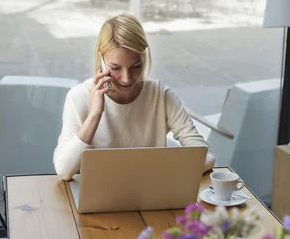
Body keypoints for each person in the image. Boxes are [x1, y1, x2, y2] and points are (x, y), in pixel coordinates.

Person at [53, 13, 216, 181]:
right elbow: (64, 171)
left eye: (136, 66)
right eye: (115, 68)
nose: (126, 78)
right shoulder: (78, 97)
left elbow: (206, 155)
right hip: (100, 202)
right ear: (101, 61)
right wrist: (95, 114)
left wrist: (165, 172)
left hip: (151, 198)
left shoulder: (160, 95)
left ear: (144, 58)